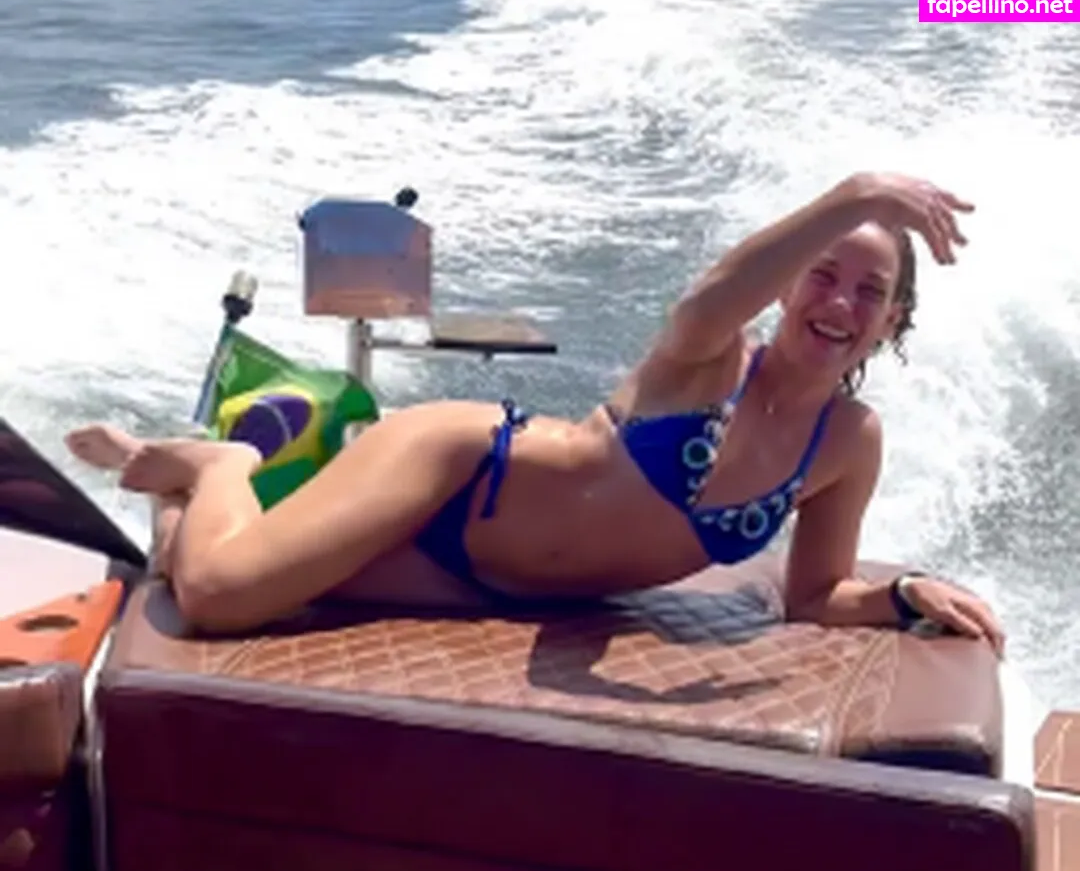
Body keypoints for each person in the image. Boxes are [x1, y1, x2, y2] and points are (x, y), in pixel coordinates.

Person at [66, 170, 1004, 653]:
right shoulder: (715, 357)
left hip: (497, 588)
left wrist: (903, 595)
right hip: (457, 470)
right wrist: (855, 195)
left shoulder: (848, 443)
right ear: (788, 285)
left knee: (225, 580)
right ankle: (220, 463)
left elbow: (814, 595)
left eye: (869, 291)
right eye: (823, 274)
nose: (838, 303)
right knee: (220, 597)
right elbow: (710, 295)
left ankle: (187, 502)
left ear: (892, 321)